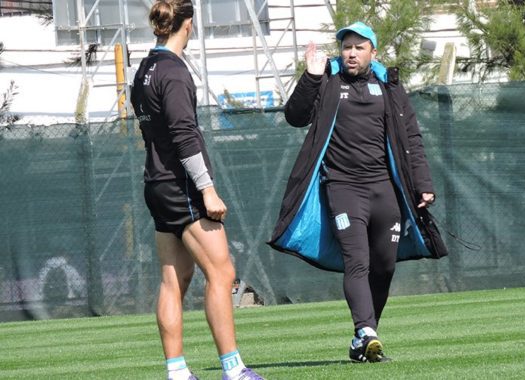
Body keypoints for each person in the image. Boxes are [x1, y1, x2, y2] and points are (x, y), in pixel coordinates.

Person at [267, 22, 447, 362]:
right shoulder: (328, 80)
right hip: (343, 186)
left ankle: (362, 338)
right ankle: (367, 331)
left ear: (372, 53)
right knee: (358, 261)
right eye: (346, 47)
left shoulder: (389, 86)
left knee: (385, 266)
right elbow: (294, 116)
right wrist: (311, 76)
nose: (351, 53)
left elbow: (412, 138)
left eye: (359, 47)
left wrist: (423, 184)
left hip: (385, 189)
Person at [130, 1, 263, 379]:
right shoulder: (173, 71)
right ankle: (233, 370)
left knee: (174, 279)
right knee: (221, 274)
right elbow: (184, 135)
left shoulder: (143, 70)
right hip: (181, 186)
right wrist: (207, 189)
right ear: (187, 25)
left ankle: (177, 372)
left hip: (155, 183)